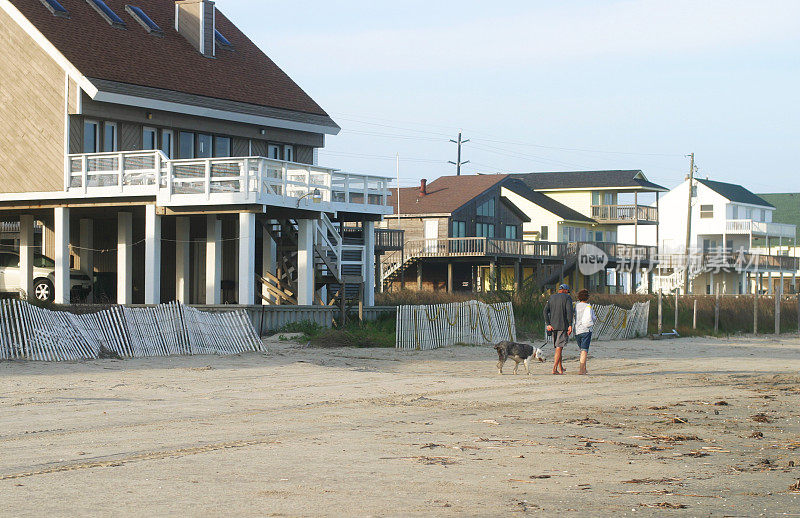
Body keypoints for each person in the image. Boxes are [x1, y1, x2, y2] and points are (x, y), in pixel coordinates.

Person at [544, 284, 573, 375]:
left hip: (553, 326)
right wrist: (570, 325)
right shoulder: (567, 298)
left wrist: (548, 324)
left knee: (558, 348)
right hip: (562, 326)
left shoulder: (552, 297)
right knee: (559, 348)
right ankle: (554, 369)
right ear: (565, 290)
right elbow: (569, 311)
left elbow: (545, 311)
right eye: (567, 291)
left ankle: (560, 369)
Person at [574, 289, 597, 375]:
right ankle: (581, 370)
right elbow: (593, 318)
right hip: (586, 330)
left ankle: (584, 368)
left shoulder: (576, 306)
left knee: (582, 350)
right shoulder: (588, 306)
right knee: (584, 350)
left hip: (577, 330)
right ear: (587, 297)